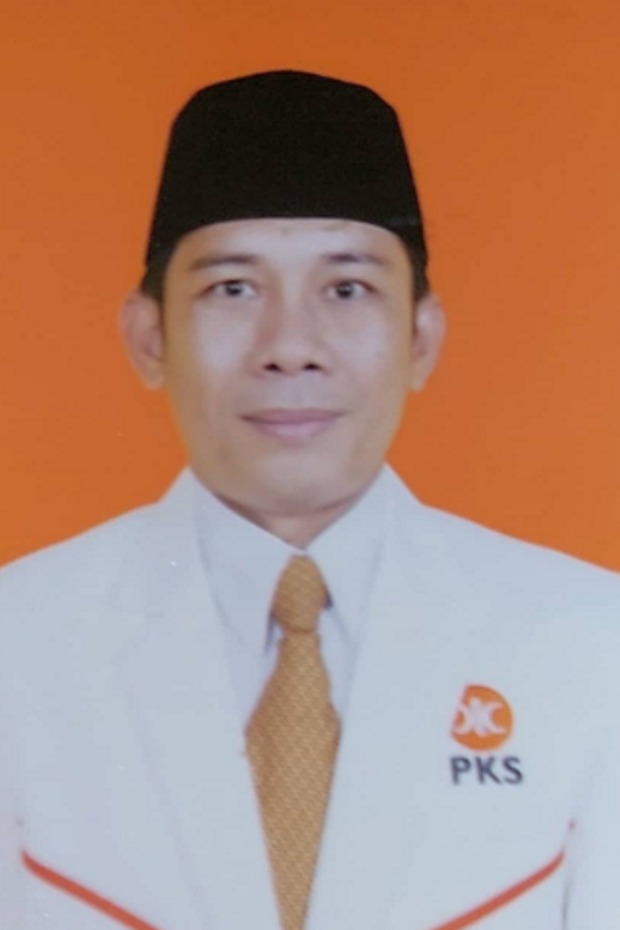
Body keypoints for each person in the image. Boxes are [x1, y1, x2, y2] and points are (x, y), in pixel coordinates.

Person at [0, 69, 619, 930]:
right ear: (148, 339)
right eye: (233, 289)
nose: (291, 347)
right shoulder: (19, 643)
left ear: (422, 337)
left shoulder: (590, 644)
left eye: (347, 289)